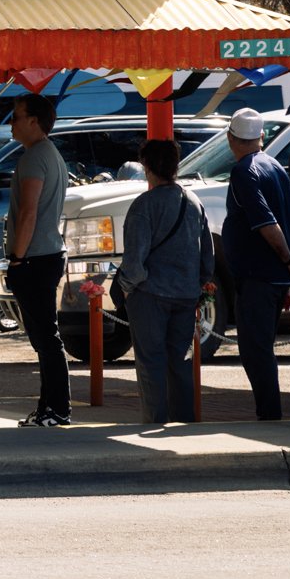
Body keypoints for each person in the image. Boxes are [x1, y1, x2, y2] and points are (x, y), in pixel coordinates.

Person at [117, 139, 215, 425]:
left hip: (149, 295)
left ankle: (155, 420)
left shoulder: (143, 206)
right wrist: (196, 285)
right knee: (181, 363)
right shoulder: (194, 202)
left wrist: (124, 288)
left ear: (147, 168)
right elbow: (207, 259)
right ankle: (185, 422)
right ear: (175, 166)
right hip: (185, 295)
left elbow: (134, 263)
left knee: (150, 364)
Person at [221, 108, 290, 421]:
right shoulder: (274, 166)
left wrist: (288, 258)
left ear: (231, 138)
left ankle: (269, 413)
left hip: (258, 274)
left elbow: (266, 224)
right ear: (260, 137)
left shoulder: (244, 171)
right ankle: (269, 410)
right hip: (273, 276)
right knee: (261, 347)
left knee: (256, 350)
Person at [4, 93, 71, 427]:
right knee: (45, 337)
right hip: (46, 255)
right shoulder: (50, 154)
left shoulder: (34, 158)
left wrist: (16, 257)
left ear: (34, 121)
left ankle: (57, 409)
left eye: (16, 116)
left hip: (35, 258)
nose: (11, 123)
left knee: (45, 338)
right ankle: (49, 408)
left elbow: (28, 212)